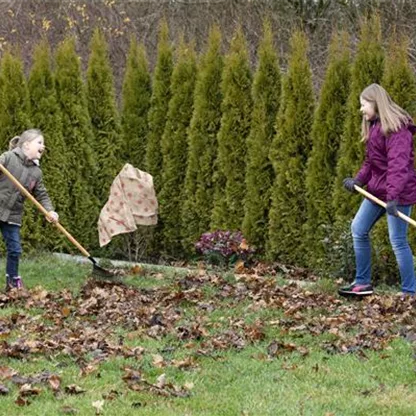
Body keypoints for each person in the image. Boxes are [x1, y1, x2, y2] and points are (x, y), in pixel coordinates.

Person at [339, 83, 416, 298]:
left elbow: (398, 167)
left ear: (376, 102)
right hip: (378, 192)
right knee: (358, 228)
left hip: (399, 193)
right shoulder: (375, 126)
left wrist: (393, 197)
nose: (361, 109)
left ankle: (410, 292)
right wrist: (357, 181)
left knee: (397, 240)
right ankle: (362, 283)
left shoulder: (398, 129)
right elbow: (371, 163)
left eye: (364, 104)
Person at [0, 129, 59, 290]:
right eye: (39, 142)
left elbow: (42, 195)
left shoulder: (36, 172)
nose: (43, 146)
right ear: (26, 145)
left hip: (13, 215)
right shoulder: (8, 157)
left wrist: (50, 211)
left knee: (15, 249)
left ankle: (12, 283)